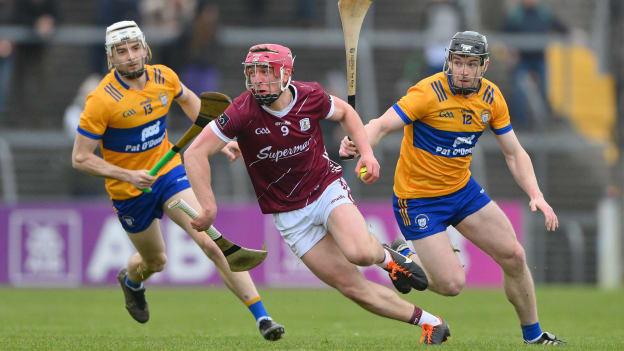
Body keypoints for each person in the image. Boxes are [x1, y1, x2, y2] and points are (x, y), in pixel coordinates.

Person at [183, 43, 450, 345]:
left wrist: (366, 153)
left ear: (286, 73)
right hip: (288, 215)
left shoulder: (310, 96)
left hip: (325, 188)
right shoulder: (242, 111)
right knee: (352, 288)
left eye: (266, 72)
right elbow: (195, 154)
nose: (258, 79)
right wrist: (208, 207)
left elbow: (346, 112)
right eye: (253, 72)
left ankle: (390, 257)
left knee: (360, 253)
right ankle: (430, 322)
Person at [340, 31, 564, 345]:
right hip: (418, 200)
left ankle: (534, 336)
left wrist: (536, 194)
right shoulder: (427, 92)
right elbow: (382, 124)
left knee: (514, 255)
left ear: (483, 66)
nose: (463, 70)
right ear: (449, 61)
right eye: (458, 62)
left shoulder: (491, 98)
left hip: (462, 191)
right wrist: (362, 143)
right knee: (451, 285)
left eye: (471, 63)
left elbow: (513, 152)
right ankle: (397, 257)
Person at [70, 20, 285, 341]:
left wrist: (219, 138)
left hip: (169, 173)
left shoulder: (163, 77)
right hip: (129, 190)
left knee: (211, 241)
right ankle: (131, 281)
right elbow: (81, 158)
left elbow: (191, 103)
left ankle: (263, 317)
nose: (130, 56)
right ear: (110, 58)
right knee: (155, 260)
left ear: (145, 48)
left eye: (134, 48)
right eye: (121, 51)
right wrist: (128, 174)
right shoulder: (101, 101)